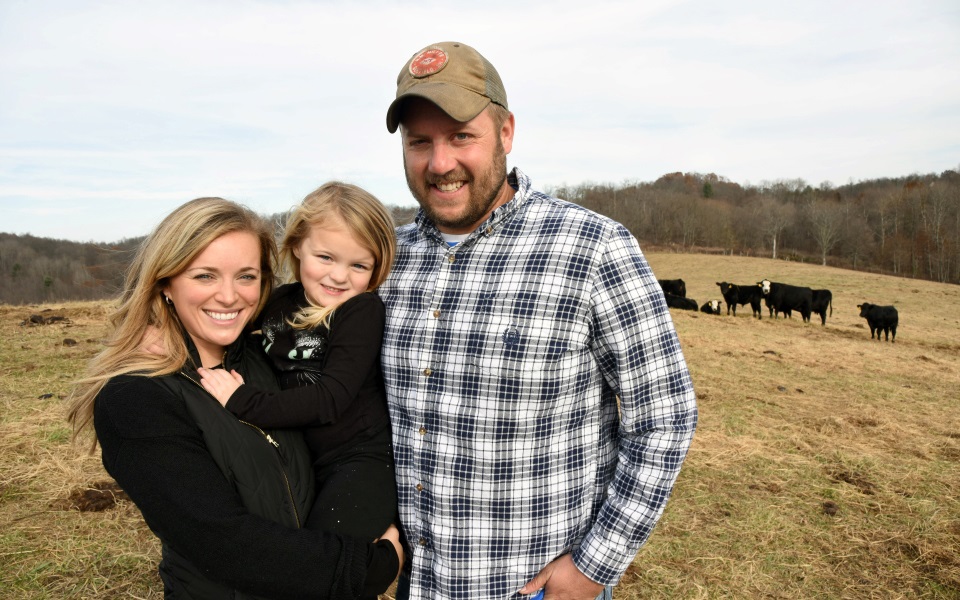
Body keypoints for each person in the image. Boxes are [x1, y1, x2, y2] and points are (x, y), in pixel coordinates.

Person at [378, 41, 698, 600]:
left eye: (461, 137)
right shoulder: (383, 259)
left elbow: (664, 418)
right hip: (417, 586)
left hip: (533, 588)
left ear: (505, 133)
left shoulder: (593, 248)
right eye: (419, 142)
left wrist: (594, 567)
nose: (439, 163)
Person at [67, 197, 402, 600]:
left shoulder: (260, 360)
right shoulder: (135, 399)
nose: (229, 296)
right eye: (205, 276)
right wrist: (372, 567)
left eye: (245, 276)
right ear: (165, 281)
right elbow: (222, 541)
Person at [198, 182, 398, 600]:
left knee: (324, 577)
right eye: (325, 257)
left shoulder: (360, 312)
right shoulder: (280, 303)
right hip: (303, 459)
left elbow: (330, 399)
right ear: (297, 248)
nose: (339, 276)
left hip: (358, 463)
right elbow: (225, 325)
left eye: (359, 266)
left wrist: (243, 403)